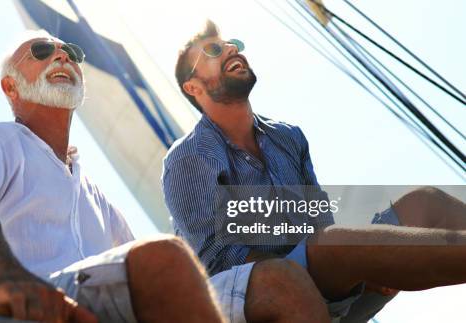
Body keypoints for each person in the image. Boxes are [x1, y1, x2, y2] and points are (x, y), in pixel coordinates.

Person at [162, 20, 466, 323]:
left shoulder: (288, 137)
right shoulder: (189, 157)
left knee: (424, 202)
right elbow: (217, 261)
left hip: (328, 287)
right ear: (193, 87)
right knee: (329, 246)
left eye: (234, 44)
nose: (231, 48)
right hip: (258, 303)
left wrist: (365, 263)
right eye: (214, 49)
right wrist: (340, 262)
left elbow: (319, 221)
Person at [0, 29, 226, 323]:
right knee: (165, 259)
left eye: (71, 52)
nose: (62, 56)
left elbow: (139, 269)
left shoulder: (98, 199)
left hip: (89, 311)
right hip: (3, 313)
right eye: (41, 50)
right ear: (10, 87)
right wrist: (5, 274)